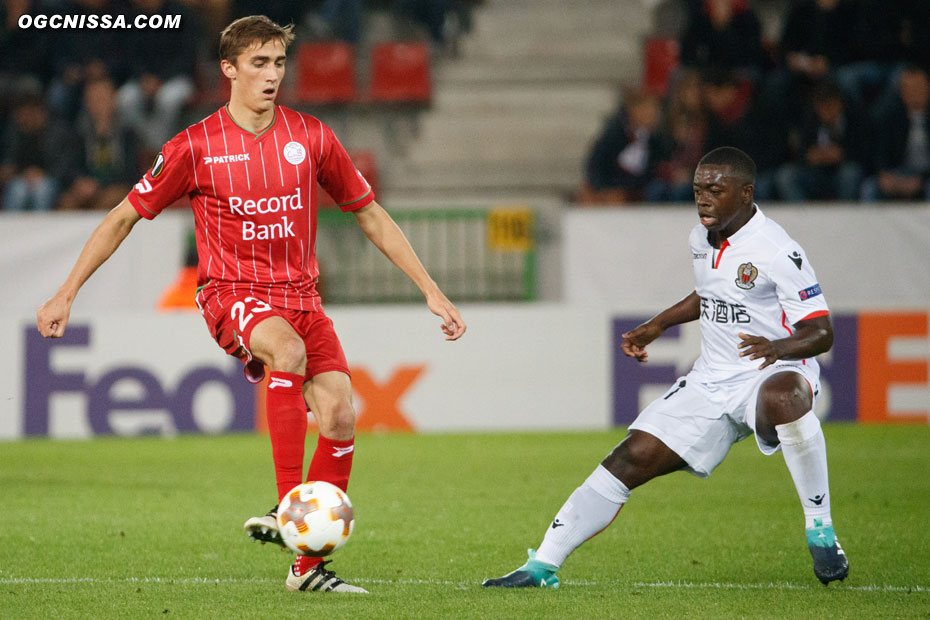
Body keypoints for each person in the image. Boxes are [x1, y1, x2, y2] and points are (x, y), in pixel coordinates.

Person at [36, 15, 466, 593]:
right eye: (259, 64)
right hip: (232, 294)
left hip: (303, 297)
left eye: (279, 63)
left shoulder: (311, 136)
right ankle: (288, 506)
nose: (271, 76)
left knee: (340, 415)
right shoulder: (194, 146)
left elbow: (368, 213)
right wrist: (67, 292)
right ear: (229, 69)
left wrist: (430, 288)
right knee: (284, 351)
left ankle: (307, 571)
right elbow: (121, 219)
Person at [483, 147, 848, 589]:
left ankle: (820, 528)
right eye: (698, 190)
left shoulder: (777, 250)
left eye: (715, 190)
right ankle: (541, 565)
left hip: (770, 370)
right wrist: (657, 325)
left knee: (783, 396)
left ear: (746, 193)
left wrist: (778, 346)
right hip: (711, 380)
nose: (704, 200)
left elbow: (821, 332)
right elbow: (710, 293)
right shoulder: (701, 238)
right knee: (629, 457)